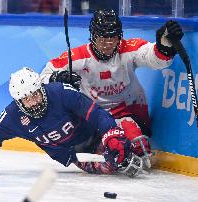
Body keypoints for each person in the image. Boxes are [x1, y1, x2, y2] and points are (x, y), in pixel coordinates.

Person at [40, 9, 184, 169]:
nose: (108, 44)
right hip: (95, 116)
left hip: (131, 111)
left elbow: (154, 58)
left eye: (113, 38)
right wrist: (56, 79)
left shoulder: (129, 49)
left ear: (120, 35)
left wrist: (164, 47)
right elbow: (46, 74)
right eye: (103, 38)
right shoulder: (78, 57)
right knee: (100, 148)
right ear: (93, 36)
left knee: (137, 143)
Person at [0, 67, 144, 177]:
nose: (34, 101)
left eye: (36, 94)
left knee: (134, 145)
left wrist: (111, 134)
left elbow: (94, 113)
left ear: (41, 88)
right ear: (18, 102)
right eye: (27, 99)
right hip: (77, 155)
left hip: (95, 133)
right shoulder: (13, 116)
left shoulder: (61, 92)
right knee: (112, 166)